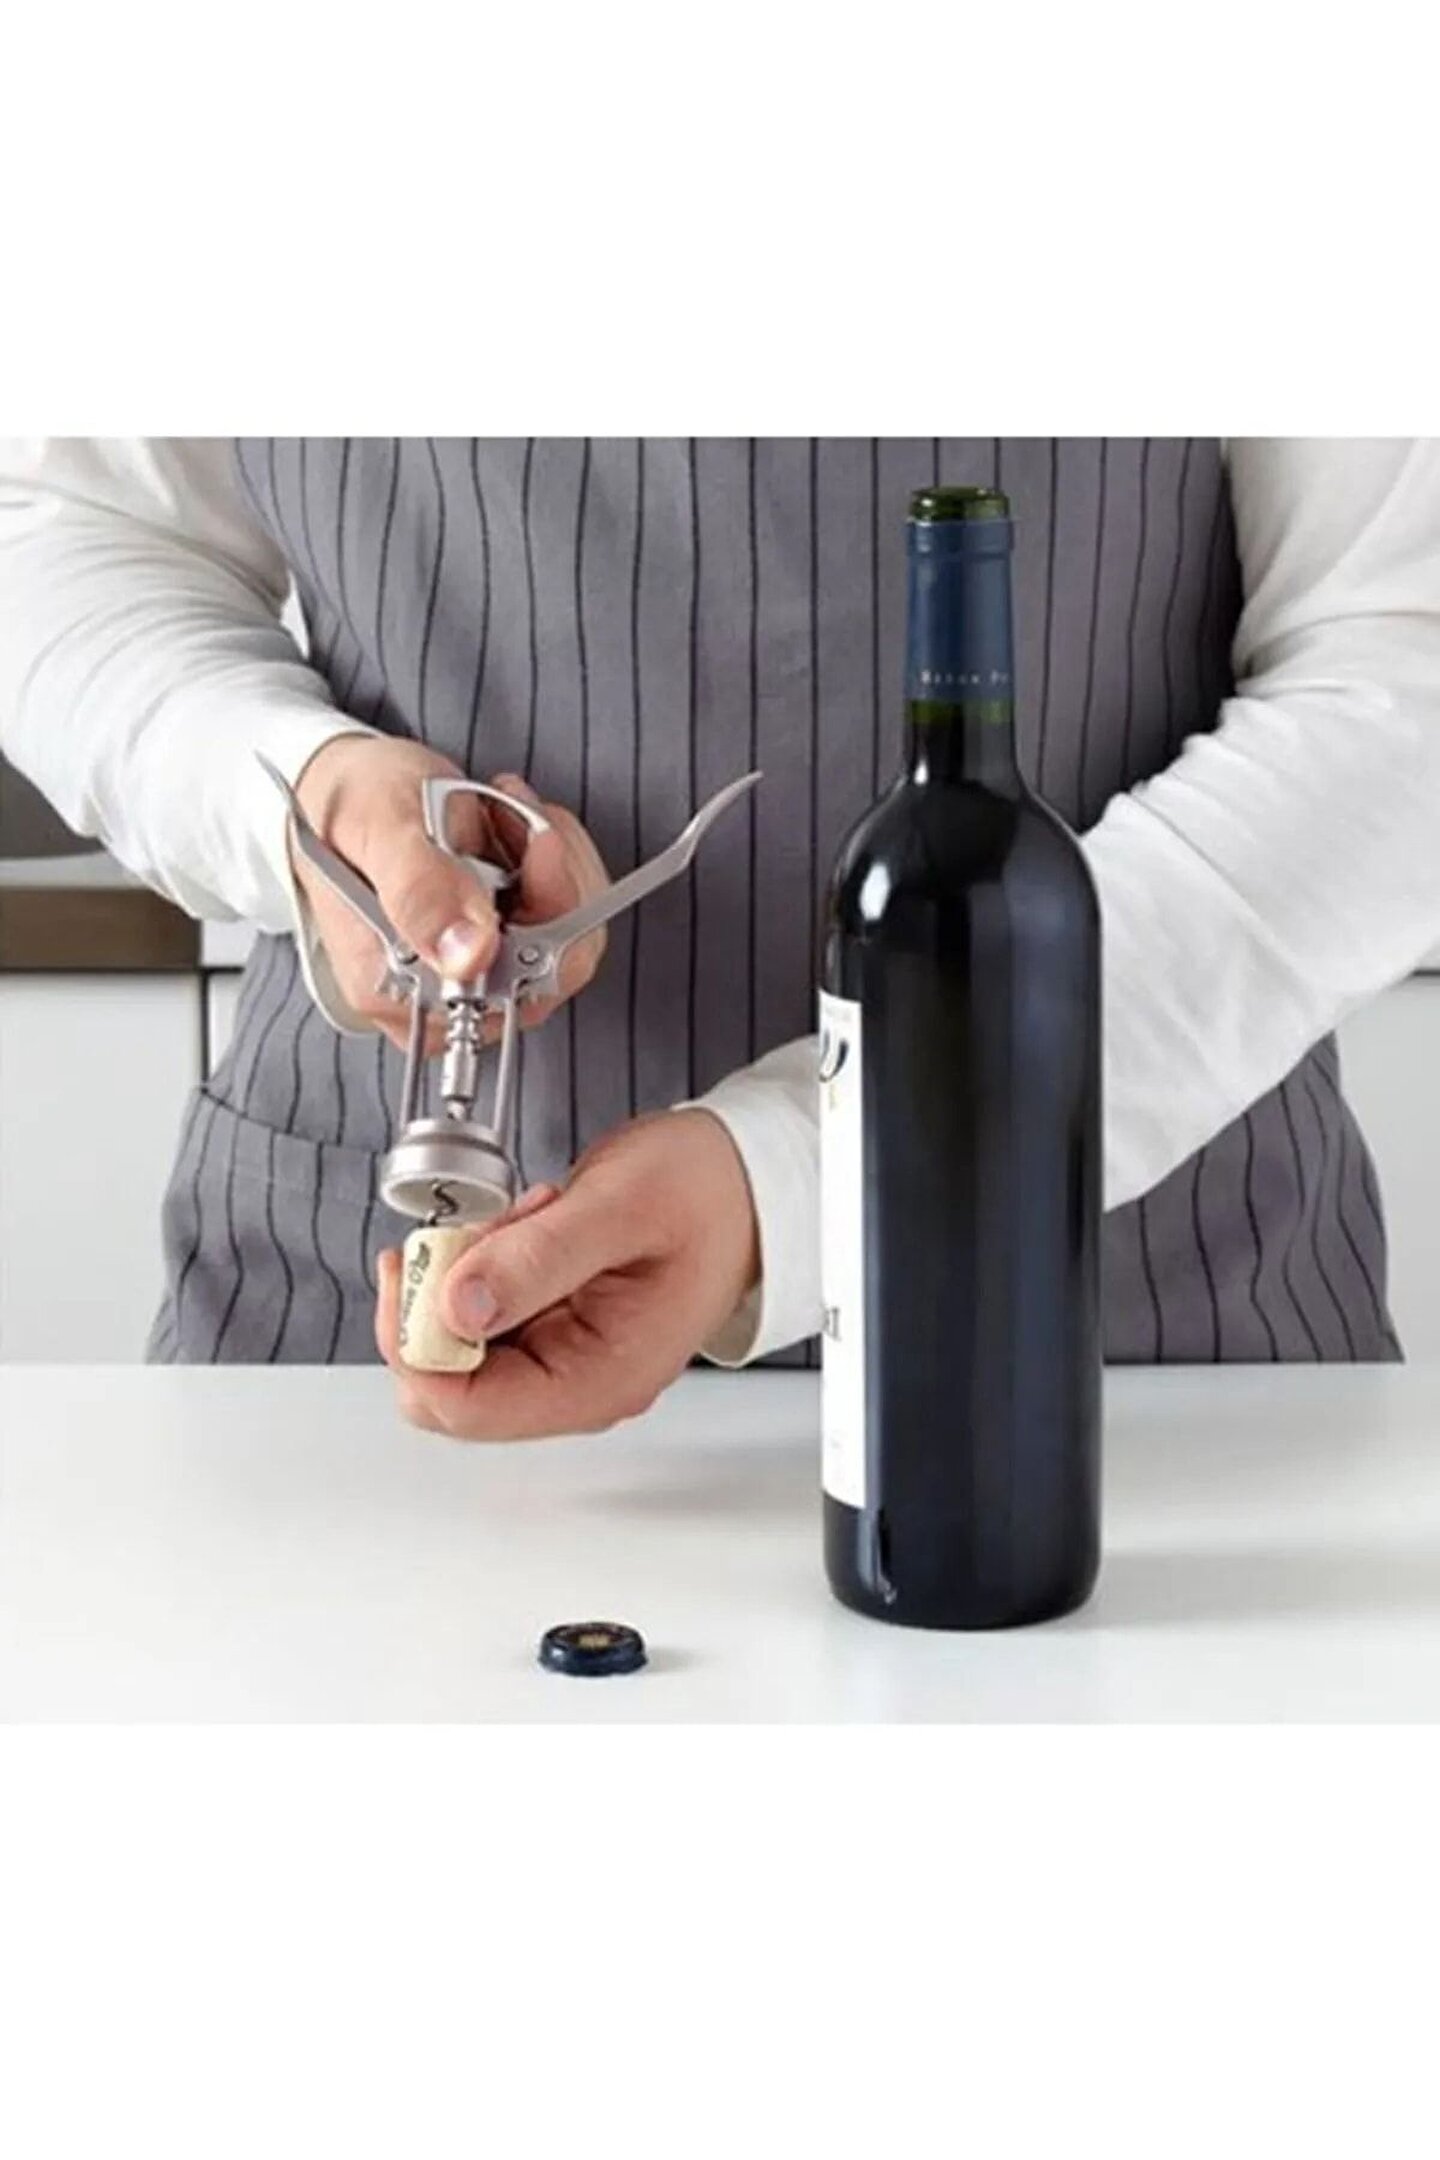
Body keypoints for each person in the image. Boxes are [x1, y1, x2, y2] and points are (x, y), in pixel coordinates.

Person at [2, 438, 1438, 1439]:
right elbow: (74, 528)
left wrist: (806, 1172)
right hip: (336, 1386)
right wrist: (297, 794)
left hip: (1140, 1367)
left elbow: (1399, 660)